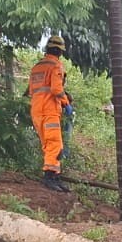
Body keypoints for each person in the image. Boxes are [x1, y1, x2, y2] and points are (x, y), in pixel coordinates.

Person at [29, 35, 73, 192]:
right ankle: (49, 177)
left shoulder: (37, 67)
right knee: (55, 143)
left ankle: (54, 176)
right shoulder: (56, 66)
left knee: (47, 144)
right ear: (59, 51)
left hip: (36, 109)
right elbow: (55, 89)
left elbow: (33, 90)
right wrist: (66, 103)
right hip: (49, 110)